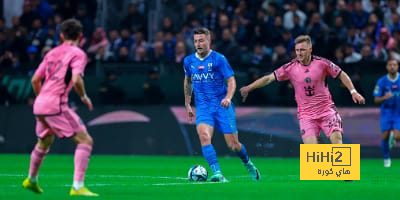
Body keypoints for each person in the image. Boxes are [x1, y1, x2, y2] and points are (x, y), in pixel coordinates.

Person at [240, 35, 365, 146]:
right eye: (297, 50)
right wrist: (249, 88)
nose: (299, 53)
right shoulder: (290, 68)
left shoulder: (322, 64)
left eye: (302, 50)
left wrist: (353, 92)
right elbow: (268, 79)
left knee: (337, 141)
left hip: (327, 111)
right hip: (306, 115)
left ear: (310, 49)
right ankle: (320, 171)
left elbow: (341, 74)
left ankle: (339, 172)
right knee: (312, 151)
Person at [22, 19, 98, 196]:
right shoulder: (78, 54)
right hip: (56, 104)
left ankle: (31, 180)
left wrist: (42, 98)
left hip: (40, 103)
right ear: (80, 36)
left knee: (44, 142)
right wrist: (84, 97)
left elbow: (35, 80)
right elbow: (77, 79)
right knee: (85, 141)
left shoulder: (51, 53)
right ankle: (78, 187)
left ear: (61, 36)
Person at [183, 27, 260, 182]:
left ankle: (248, 163)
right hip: (204, 108)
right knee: (204, 137)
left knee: (233, 145)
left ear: (209, 40)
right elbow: (188, 81)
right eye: (196, 41)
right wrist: (187, 103)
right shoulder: (189, 61)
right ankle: (217, 173)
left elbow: (231, 80)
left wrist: (228, 97)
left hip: (222, 107)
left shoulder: (219, 59)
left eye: (201, 40)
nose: (198, 44)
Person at [373, 59, 400, 168]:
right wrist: (385, 97)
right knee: (384, 136)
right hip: (386, 112)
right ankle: (386, 158)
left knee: (398, 136)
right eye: (390, 65)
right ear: (387, 67)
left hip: (398, 112)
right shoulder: (382, 81)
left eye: (394, 65)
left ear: (397, 67)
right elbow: (376, 100)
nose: (392, 67)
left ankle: (394, 137)